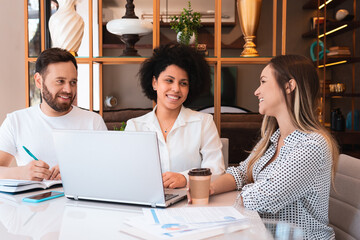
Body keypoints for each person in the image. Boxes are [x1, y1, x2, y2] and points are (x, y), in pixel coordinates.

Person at [188, 55, 339, 240]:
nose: (256, 91)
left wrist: (229, 199)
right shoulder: (273, 139)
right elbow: (243, 173)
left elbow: (264, 197)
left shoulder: (312, 146)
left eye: (263, 82)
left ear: (289, 86)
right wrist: (209, 189)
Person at [125, 43, 225, 189]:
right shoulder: (135, 126)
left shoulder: (203, 122)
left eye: (183, 83)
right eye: (169, 80)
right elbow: (128, 172)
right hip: (148, 203)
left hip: (191, 203)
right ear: (154, 82)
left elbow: (217, 169)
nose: (176, 89)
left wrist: (185, 178)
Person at [0, 48, 107, 181]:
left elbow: (107, 171)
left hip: (79, 201)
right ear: (39, 81)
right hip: (31, 201)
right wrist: (21, 173)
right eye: (60, 81)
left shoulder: (93, 122)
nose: (68, 90)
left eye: (73, 82)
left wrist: (76, 171)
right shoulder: (15, 121)